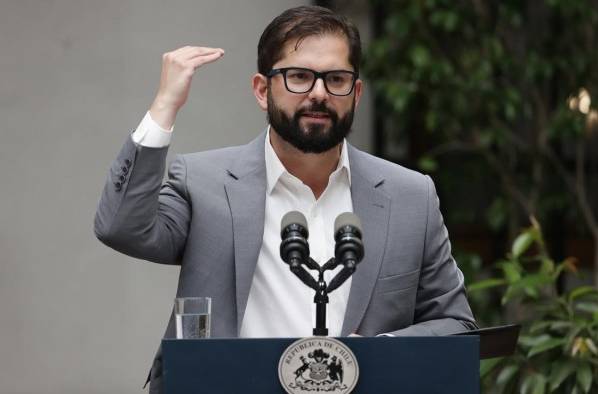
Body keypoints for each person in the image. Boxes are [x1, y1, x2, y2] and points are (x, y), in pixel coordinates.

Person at [94, 5, 476, 393]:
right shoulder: (205, 181)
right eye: (299, 77)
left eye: (337, 79)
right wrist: (164, 108)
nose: (319, 94)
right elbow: (121, 227)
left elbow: (456, 324)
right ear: (263, 90)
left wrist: (378, 352)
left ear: (356, 93)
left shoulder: (409, 195)